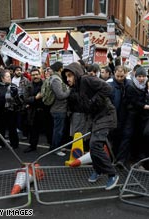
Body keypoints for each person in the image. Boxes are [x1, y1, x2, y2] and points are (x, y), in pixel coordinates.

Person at [62, 62, 119, 190]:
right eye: (66, 77)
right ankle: (98, 170)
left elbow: (108, 89)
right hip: (95, 118)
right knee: (92, 146)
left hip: (106, 115)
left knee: (95, 144)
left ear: (76, 74)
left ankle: (112, 174)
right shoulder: (75, 89)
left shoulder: (86, 79)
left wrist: (94, 101)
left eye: (70, 75)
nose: (68, 79)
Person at [49, 62, 70, 156]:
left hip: (59, 108)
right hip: (58, 109)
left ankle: (55, 147)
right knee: (58, 131)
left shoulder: (57, 78)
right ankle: (55, 149)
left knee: (58, 130)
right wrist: (69, 90)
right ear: (60, 69)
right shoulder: (56, 79)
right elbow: (60, 95)